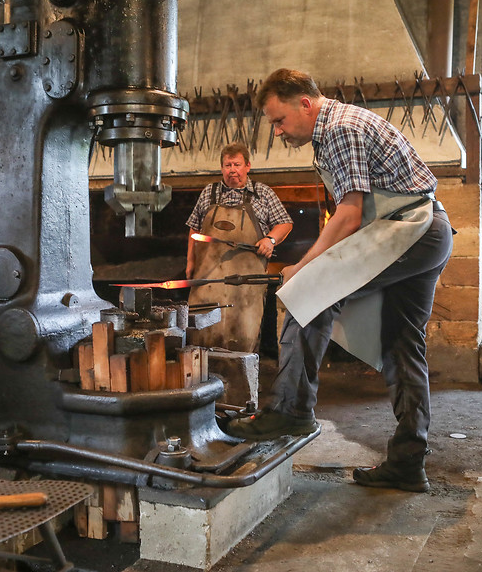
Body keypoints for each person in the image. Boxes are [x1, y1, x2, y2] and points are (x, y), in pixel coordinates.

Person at [226, 69, 453, 493]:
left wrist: (304, 267)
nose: (278, 132)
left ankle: (291, 410)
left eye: (279, 120)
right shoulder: (337, 127)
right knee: (402, 345)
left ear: (304, 104)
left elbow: (349, 215)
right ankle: (408, 461)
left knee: (306, 293)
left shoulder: (339, 128)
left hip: (409, 229)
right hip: (428, 229)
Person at [185, 142, 293, 352]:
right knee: (201, 339)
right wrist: (190, 262)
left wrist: (270, 240)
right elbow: (194, 228)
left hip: (247, 285)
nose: (232, 170)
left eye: (237, 164)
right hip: (208, 281)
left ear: (247, 166)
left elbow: (285, 223)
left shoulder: (263, 193)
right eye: (228, 165)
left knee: (243, 339)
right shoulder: (209, 192)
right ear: (222, 168)